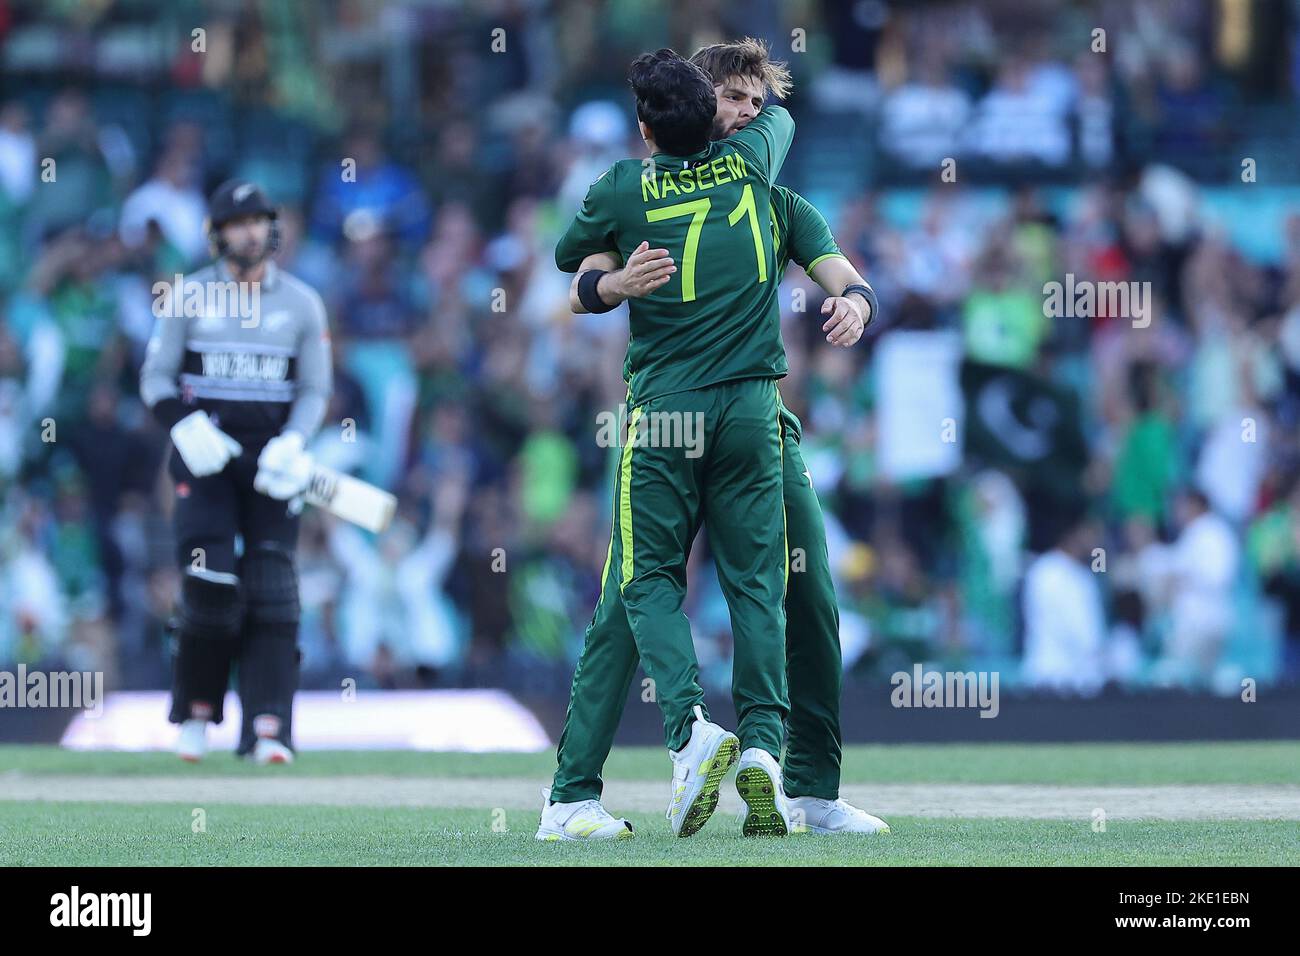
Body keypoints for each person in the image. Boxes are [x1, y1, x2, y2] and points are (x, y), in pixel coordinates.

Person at [542, 38, 888, 840]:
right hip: (721, 415)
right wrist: (607, 281)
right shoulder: (712, 179)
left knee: (809, 592)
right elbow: (583, 266)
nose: (745, 111)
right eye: (730, 98)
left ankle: (806, 788)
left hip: (754, 420)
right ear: (699, 106)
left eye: (754, 101)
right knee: (629, 607)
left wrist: (859, 306)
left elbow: (843, 272)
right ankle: (575, 793)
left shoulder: (773, 197)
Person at [139, 179, 333, 764]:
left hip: (272, 462)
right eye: (238, 222)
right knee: (209, 583)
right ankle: (196, 716)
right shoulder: (187, 296)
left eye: (259, 220)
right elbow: (154, 379)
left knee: (274, 587)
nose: (250, 231)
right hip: (204, 458)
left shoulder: (302, 301)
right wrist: (182, 424)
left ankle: (268, 727)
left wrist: (295, 442)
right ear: (216, 234)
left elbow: (315, 387)